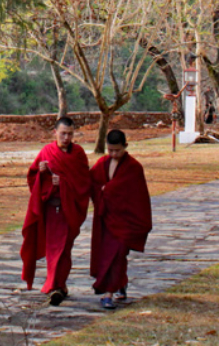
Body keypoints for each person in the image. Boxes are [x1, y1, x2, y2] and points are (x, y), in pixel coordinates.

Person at [20, 116, 91, 306]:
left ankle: (60, 285)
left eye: (70, 134)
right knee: (54, 250)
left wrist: (64, 183)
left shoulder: (78, 154)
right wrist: (41, 172)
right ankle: (55, 286)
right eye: (63, 134)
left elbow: (84, 182)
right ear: (55, 133)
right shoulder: (47, 151)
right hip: (52, 209)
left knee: (64, 249)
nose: (66, 138)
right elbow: (32, 177)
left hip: (70, 210)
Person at [89, 129, 152, 310]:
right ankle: (119, 284)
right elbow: (91, 182)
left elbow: (138, 197)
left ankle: (108, 293)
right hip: (106, 218)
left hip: (124, 220)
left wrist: (108, 190)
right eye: (110, 150)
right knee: (108, 255)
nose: (114, 154)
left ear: (125, 146)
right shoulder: (102, 163)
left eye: (117, 150)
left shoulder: (133, 167)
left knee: (117, 255)